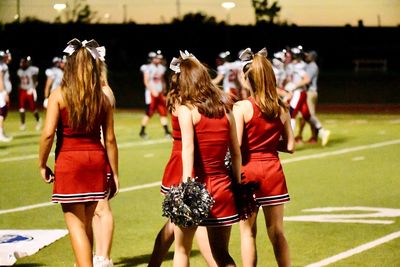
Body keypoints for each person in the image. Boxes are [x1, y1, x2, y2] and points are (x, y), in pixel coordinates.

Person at [38, 38, 119, 267]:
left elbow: (47, 135)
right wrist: (115, 173)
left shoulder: (60, 94)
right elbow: (110, 139)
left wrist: (42, 164)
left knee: (75, 226)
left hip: (70, 161)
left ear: (69, 65)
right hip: (96, 160)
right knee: (86, 222)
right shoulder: (102, 96)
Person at [168, 50, 241, 267]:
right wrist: (237, 184)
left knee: (181, 249)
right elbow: (235, 152)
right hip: (224, 186)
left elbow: (188, 149)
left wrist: (185, 187)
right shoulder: (226, 108)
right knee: (222, 255)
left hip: (199, 186)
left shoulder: (186, 109)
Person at [233, 48, 294, 267]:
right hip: (273, 171)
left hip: (248, 172)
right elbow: (290, 145)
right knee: (277, 232)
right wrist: (267, 144)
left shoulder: (241, 107)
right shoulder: (281, 107)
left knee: (248, 233)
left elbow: (237, 146)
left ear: (247, 79)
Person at [92, 59, 117, 267]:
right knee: (92, 208)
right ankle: (98, 254)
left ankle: (104, 256)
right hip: (92, 155)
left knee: (102, 207)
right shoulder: (94, 91)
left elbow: (107, 134)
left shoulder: (105, 92)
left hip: (100, 155)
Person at [283, 46, 330, 146]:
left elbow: (307, 79)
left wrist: (294, 86)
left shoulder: (299, 66)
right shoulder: (294, 65)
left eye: (290, 54)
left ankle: (288, 140)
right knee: (306, 115)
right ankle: (322, 131)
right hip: (300, 92)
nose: (288, 56)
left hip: (298, 92)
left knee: (291, 114)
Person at [139, 50, 171, 139]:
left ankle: (167, 131)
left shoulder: (161, 68)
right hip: (151, 94)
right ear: (151, 59)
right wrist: (152, 90)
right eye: (156, 58)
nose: (158, 59)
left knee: (163, 112)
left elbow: (162, 80)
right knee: (149, 112)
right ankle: (142, 131)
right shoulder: (147, 68)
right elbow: (146, 81)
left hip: (159, 93)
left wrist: (164, 90)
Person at [296, 50, 320, 143]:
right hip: (308, 92)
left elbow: (307, 80)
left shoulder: (312, 66)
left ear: (313, 57)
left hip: (310, 92)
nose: (306, 56)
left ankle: (317, 132)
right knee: (302, 115)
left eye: (309, 55)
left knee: (309, 116)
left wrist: (294, 85)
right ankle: (299, 135)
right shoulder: (309, 66)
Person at [17, 56, 41, 131]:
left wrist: (33, 88)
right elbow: (20, 82)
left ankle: (38, 120)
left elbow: (36, 80)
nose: (21, 64)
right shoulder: (19, 71)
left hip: (30, 90)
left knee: (33, 108)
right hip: (22, 91)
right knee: (21, 109)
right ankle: (23, 124)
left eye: (22, 62)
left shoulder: (32, 70)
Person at [0, 50, 12, 142]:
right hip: (1, 92)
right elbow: (0, 79)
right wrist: (4, 92)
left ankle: (1, 132)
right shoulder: (1, 66)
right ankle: (0, 134)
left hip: (2, 91)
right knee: (2, 111)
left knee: (3, 112)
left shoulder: (4, 65)